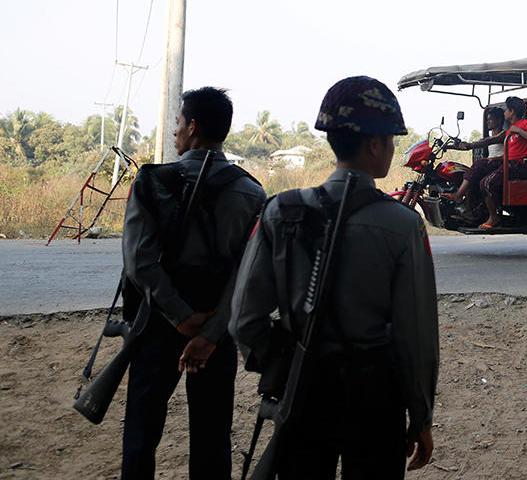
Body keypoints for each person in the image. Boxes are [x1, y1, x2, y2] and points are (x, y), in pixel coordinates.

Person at [229, 76, 439, 480]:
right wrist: (421, 413)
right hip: (375, 396)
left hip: (303, 388)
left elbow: (243, 319)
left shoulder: (280, 211)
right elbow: (416, 337)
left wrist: (282, 364)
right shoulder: (403, 225)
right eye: (392, 141)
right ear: (374, 145)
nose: (393, 150)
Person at [120, 87, 266, 479]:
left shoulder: (152, 182)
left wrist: (181, 317)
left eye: (179, 122)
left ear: (194, 127)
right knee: (212, 434)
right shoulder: (253, 193)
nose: (174, 131)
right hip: (217, 331)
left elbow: (139, 262)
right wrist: (211, 333)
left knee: (141, 433)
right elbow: (248, 274)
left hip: (156, 324)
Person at [475, 96, 527, 229]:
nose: (504, 113)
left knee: (487, 183)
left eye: (506, 110)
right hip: (509, 164)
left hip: (520, 166)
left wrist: (520, 132)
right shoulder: (510, 129)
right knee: (481, 176)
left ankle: (494, 217)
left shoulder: (524, 124)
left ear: (512, 111)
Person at [444, 106, 506, 203]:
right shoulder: (489, 137)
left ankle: (458, 195)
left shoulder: (504, 134)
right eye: (487, 119)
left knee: (478, 164)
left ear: (499, 120)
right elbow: (479, 143)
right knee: (467, 174)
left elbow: (486, 142)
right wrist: (448, 146)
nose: (487, 122)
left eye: (490, 119)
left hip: (500, 163)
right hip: (491, 163)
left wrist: (470, 145)